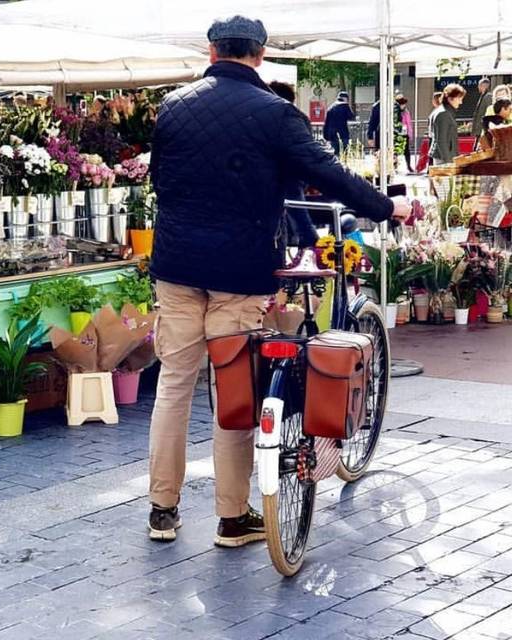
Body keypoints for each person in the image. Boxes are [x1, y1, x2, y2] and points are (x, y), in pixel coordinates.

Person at [147, 15, 410, 545]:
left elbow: (162, 179)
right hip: (240, 272)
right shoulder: (274, 112)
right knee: (232, 391)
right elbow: (328, 173)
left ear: (211, 49)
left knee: (173, 386)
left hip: (175, 266)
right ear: (260, 54)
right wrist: (387, 207)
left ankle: (162, 512)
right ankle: (230, 517)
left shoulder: (173, 106)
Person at [268, 81, 319, 249]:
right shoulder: (298, 117)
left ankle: (309, 248)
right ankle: (307, 247)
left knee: (299, 222)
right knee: (297, 218)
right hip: (293, 176)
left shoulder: (285, 117)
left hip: (284, 177)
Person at [430, 83, 466, 165]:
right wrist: (449, 162)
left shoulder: (445, 111)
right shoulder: (443, 113)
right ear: (450, 98)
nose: (461, 102)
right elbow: (441, 140)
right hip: (444, 158)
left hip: (445, 156)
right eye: (459, 98)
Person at [323, 90, 357, 155]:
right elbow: (351, 116)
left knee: (334, 154)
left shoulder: (331, 107)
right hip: (343, 134)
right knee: (344, 153)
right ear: (345, 98)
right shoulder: (345, 106)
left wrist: (325, 136)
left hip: (332, 135)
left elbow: (326, 123)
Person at [395, 94, 414, 173]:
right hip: (396, 133)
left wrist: (410, 134)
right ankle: (394, 166)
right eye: (402, 103)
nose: (403, 105)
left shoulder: (406, 112)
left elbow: (409, 124)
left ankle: (408, 166)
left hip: (404, 133)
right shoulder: (395, 113)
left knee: (407, 151)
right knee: (395, 150)